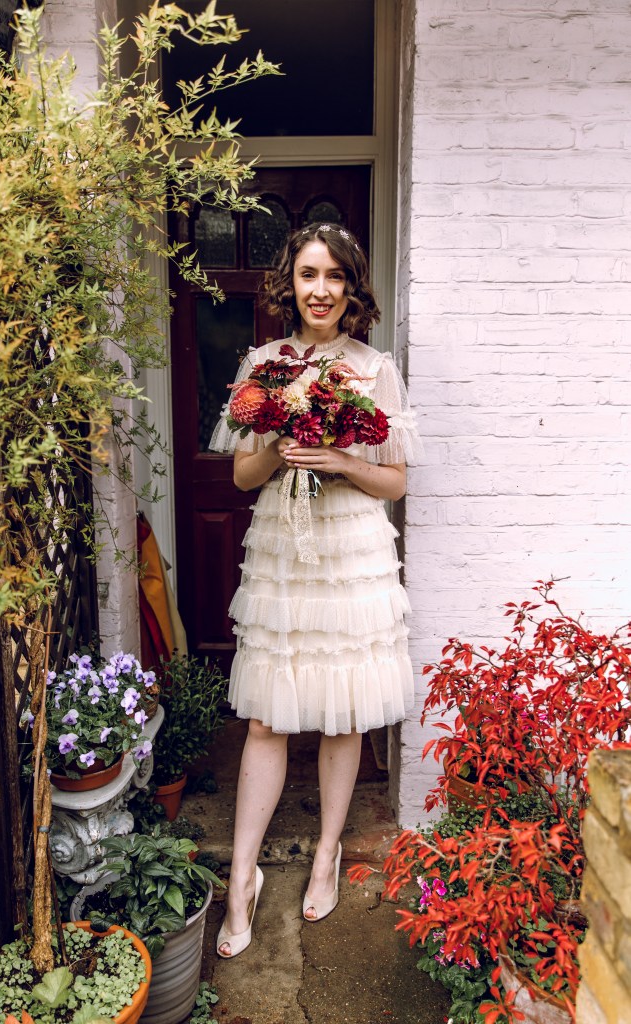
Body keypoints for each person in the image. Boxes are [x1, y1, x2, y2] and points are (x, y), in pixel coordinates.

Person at [209, 222, 423, 958]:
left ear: (351, 287)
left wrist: (340, 459)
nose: (321, 290)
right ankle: (242, 877)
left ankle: (327, 851)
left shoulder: (374, 368)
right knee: (266, 719)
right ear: (290, 283)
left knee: (342, 714)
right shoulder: (263, 365)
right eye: (308, 274)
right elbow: (242, 475)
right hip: (284, 549)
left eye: (335, 276)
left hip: (350, 549)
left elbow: (394, 481)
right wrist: (278, 445)